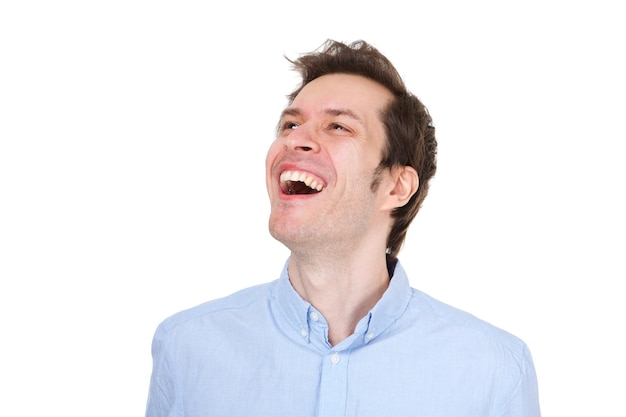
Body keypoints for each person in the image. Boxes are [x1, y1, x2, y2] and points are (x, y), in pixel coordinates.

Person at [145, 39, 541, 417]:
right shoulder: (186, 349)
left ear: (396, 186)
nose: (296, 140)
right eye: (289, 125)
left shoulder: (494, 369)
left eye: (338, 127)